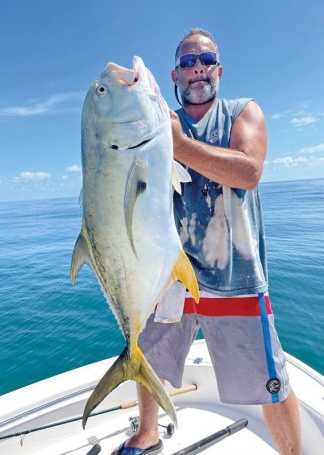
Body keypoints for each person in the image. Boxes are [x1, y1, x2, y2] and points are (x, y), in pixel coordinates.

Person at [112, 28, 302, 455]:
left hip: (236, 277)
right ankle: (147, 433)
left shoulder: (242, 113)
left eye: (206, 59)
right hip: (170, 272)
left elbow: (248, 171)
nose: (197, 67)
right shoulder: (160, 121)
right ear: (174, 77)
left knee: (270, 383)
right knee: (149, 358)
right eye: (186, 62)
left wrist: (176, 146)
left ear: (219, 69)